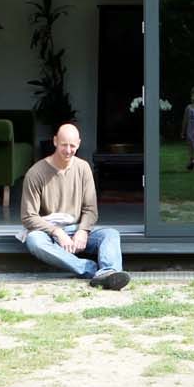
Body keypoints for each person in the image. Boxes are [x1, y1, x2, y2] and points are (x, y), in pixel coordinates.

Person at [20, 122, 131, 290]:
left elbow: (90, 209)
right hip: (48, 232)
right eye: (64, 145)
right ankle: (93, 271)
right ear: (55, 141)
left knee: (110, 234)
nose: (68, 150)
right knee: (34, 240)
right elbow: (28, 217)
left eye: (72, 146)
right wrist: (57, 232)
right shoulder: (36, 173)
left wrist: (83, 230)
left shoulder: (83, 168)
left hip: (76, 228)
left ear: (78, 144)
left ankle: (109, 271)